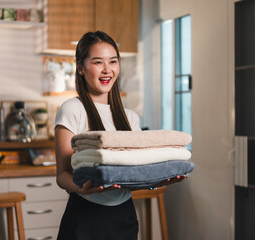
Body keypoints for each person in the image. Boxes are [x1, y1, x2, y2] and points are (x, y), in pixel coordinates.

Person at [54, 31, 186, 240]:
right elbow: (62, 174)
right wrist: (82, 188)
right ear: (80, 68)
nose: (107, 70)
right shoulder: (72, 109)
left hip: (124, 216)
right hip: (85, 217)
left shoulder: (129, 117)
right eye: (98, 62)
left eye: (113, 62)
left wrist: (156, 179)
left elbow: (134, 170)